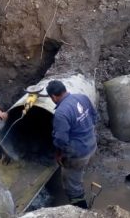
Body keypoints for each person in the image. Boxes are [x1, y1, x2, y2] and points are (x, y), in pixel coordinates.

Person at [47, 80, 98, 209]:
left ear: (53, 96)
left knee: (73, 187)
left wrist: (59, 154)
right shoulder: (82, 97)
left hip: (78, 154)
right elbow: (95, 117)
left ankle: (81, 211)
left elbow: (61, 140)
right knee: (80, 171)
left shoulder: (61, 113)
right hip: (92, 145)